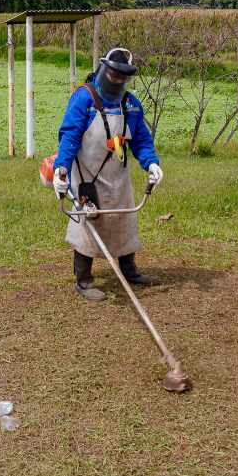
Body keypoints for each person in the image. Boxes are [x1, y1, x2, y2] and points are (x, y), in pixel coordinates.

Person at [52, 47, 163, 302]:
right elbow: (69, 137)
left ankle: (130, 271)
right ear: (104, 70)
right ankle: (84, 280)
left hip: (117, 174)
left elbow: (142, 141)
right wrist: (62, 170)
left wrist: (151, 164)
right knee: (87, 224)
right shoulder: (84, 98)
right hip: (87, 175)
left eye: (123, 77)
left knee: (124, 222)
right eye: (114, 75)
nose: (117, 80)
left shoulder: (131, 105)